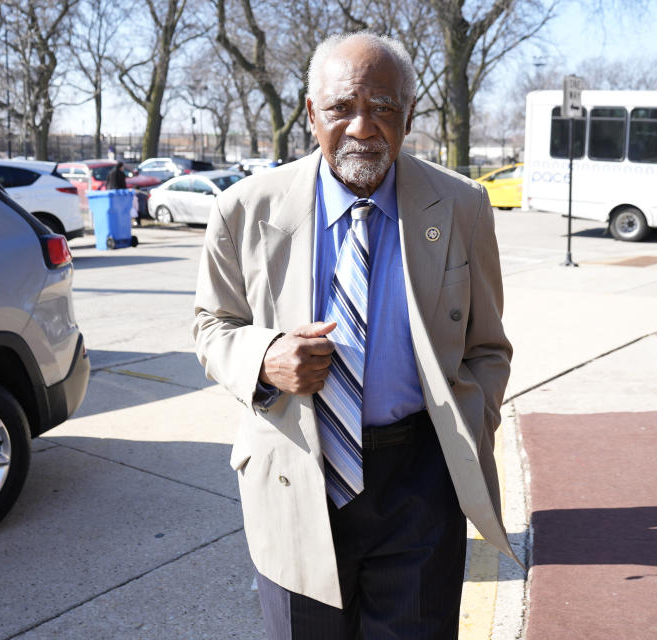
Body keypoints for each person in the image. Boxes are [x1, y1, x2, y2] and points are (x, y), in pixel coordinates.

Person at [193, 32, 514, 640]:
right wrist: (264, 358)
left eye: (384, 107)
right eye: (342, 107)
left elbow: (488, 347)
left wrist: (473, 427)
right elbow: (210, 327)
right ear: (311, 113)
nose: (363, 127)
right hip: (295, 475)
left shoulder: (463, 206)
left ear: (409, 115)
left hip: (420, 483)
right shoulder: (243, 210)